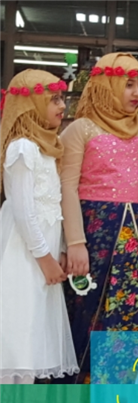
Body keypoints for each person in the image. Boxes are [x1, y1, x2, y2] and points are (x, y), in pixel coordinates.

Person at [60, 53, 138, 382]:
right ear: (105, 86)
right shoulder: (81, 129)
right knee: (87, 304)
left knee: (131, 306)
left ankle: (121, 381)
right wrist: (75, 242)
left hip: (137, 235)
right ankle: (80, 383)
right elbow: (67, 186)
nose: (137, 93)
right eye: (128, 85)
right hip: (95, 232)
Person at [0, 70, 77, 383]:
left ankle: (22, 390)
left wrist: (60, 249)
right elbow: (23, 209)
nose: (62, 106)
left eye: (61, 99)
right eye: (54, 100)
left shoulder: (47, 146)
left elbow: (53, 207)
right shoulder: (22, 148)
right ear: (30, 105)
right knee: (18, 326)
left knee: (33, 327)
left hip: (44, 251)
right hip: (24, 252)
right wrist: (44, 257)